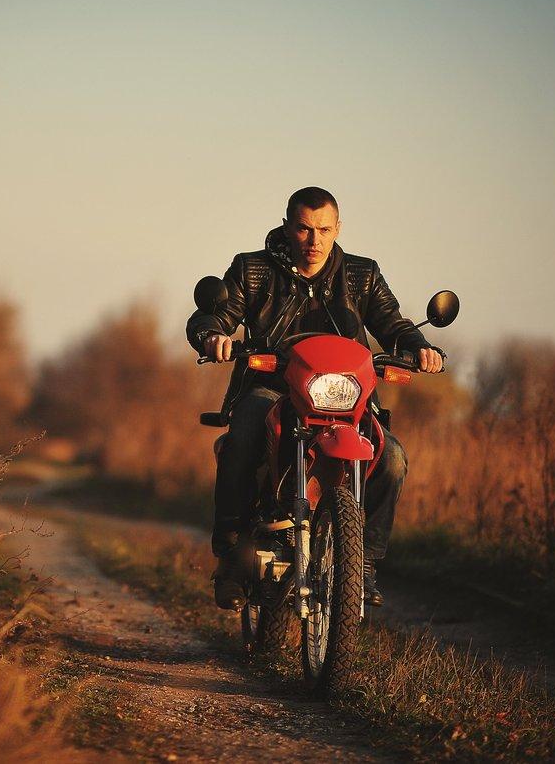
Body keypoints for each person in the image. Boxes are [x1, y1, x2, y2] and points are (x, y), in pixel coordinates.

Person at [186, 186, 444, 611]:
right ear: (288, 226)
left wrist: (420, 347)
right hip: (274, 387)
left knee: (393, 458)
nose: (314, 241)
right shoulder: (253, 270)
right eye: (304, 229)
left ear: (338, 228)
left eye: (324, 229)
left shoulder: (362, 275)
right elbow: (215, 314)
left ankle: (362, 564)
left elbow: (394, 324)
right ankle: (231, 553)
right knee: (243, 435)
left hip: (346, 394)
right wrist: (213, 334)